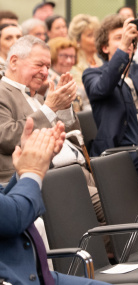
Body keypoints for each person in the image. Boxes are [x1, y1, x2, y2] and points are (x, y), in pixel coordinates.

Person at [0, 117, 108, 285]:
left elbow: (5, 201)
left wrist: (30, 165)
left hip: (35, 275)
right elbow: (14, 216)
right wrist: (32, 170)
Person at [82, 15, 138, 161]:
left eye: (129, 39)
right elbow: (103, 87)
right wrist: (123, 47)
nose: (127, 41)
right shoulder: (92, 74)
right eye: (119, 37)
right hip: (119, 153)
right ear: (105, 48)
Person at [0, 36, 78, 183]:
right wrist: (50, 108)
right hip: (34, 181)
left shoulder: (39, 97)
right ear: (14, 62)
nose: (45, 72)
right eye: (39, 65)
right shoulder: (2, 93)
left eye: (48, 67)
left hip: (76, 169)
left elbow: (75, 137)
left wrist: (65, 106)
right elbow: (6, 138)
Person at [48, 37, 86, 112]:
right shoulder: (47, 79)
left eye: (72, 56)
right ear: (53, 56)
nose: (69, 61)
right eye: (64, 56)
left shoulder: (71, 76)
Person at [67, 14, 101, 90]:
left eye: (96, 34)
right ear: (77, 40)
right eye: (90, 35)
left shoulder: (99, 60)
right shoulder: (73, 64)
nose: (95, 39)